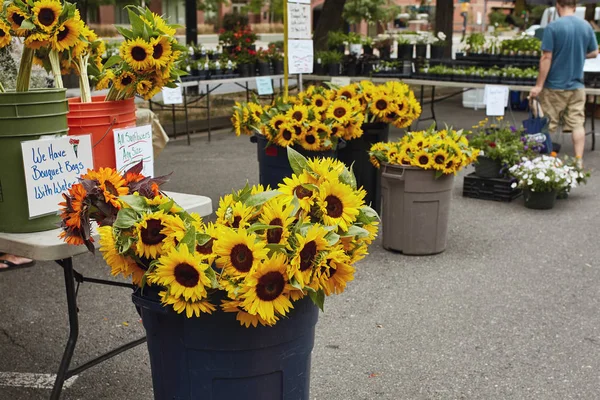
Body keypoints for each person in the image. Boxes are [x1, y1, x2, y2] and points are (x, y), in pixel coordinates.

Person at [530, 0, 598, 166]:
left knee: (548, 124)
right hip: (577, 85)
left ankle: (545, 162)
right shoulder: (586, 26)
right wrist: (580, 54)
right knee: (577, 124)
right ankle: (578, 161)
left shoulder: (553, 27)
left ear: (558, 6)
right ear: (574, 7)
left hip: (554, 85)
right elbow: (594, 52)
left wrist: (539, 85)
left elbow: (546, 57)